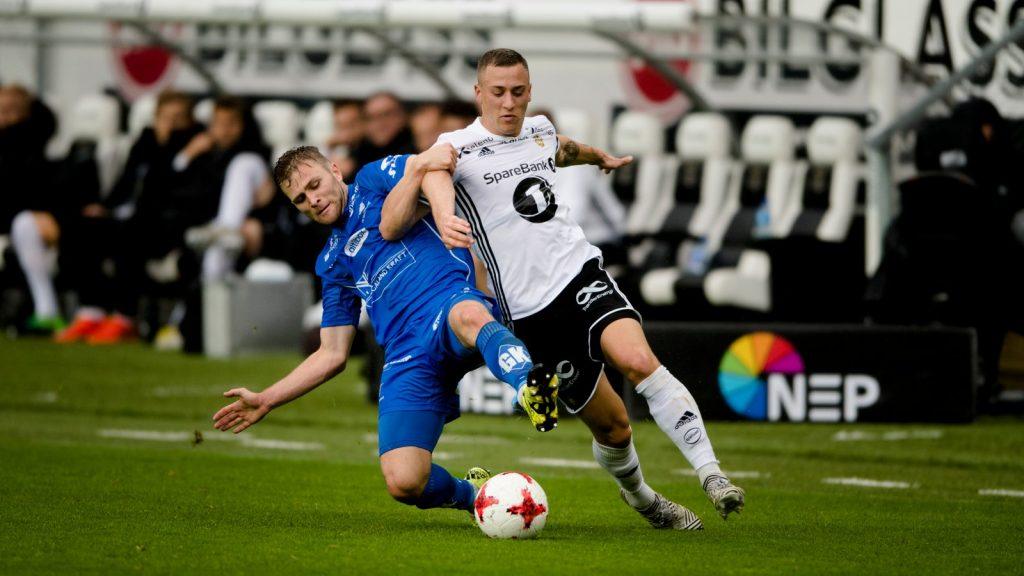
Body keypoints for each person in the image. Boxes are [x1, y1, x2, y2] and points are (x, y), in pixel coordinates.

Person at [412, 48, 745, 528]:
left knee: (637, 361)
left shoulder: (539, 128)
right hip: (528, 313)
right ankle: (643, 499)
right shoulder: (456, 145)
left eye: (519, 92)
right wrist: (444, 215)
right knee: (614, 429)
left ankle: (713, 476)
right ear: (478, 94)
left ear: (530, 91)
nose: (510, 103)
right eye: (499, 93)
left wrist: (598, 157)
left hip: (579, 274)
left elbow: (561, 148)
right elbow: (435, 174)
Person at [211, 144, 559, 515]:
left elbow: (433, 167)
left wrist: (442, 216)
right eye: (299, 199)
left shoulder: (371, 180)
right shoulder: (331, 262)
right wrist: (267, 399)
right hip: (407, 353)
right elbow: (331, 354)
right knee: (404, 481)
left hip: (447, 303)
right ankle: (478, 497)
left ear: (334, 170)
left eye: (314, 185)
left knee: (469, 315)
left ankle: (529, 388)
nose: (312, 200)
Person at [51, 90, 200, 344]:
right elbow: (126, 184)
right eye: (166, 117)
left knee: (130, 234)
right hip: (130, 219)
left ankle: (125, 317)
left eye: (178, 118)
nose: (171, 124)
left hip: (164, 226)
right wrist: (104, 207)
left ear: (189, 121)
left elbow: (168, 190)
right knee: (83, 227)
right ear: (155, 118)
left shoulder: (192, 149)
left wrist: (174, 151)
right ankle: (91, 310)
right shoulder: (143, 144)